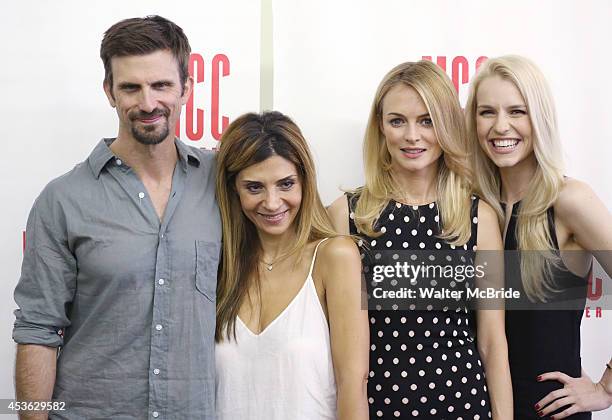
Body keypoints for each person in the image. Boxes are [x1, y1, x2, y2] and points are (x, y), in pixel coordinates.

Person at [12, 16, 220, 419]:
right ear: (109, 91)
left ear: (187, 89)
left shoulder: (224, 184)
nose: (147, 103)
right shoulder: (63, 200)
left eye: (161, 85)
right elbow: (38, 331)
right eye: (130, 87)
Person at [328, 60, 513, 419]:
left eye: (426, 120)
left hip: (465, 405)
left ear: (446, 124)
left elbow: (492, 343)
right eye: (397, 121)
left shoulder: (479, 218)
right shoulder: (348, 216)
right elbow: (344, 360)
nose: (412, 136)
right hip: (381, 407)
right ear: (381, 128)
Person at [465, 54, 612, 419]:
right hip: (480, 409)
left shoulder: (569, 200)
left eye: (517, 111)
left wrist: (605, 388)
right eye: (487, 112)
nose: (501, 126)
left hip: (550, 413)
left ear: (539, 118)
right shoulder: (473, 207)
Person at [214, 111, 369, 420]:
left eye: (285, 184)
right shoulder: (219, 266)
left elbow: (353, 384)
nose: (272, 203)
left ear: (305, 181)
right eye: (254, 187)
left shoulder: (336, 257)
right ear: (233, 189)